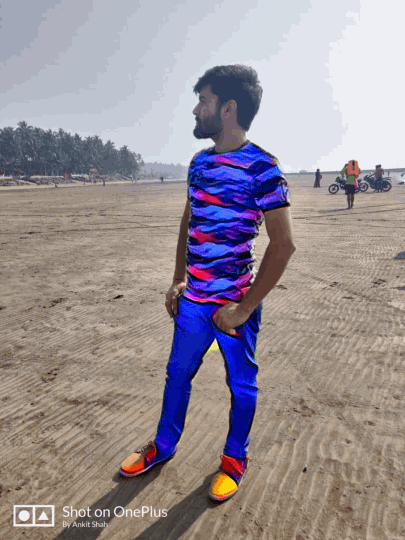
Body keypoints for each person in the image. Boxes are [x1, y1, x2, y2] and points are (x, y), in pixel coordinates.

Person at [119, 65, 296, 502]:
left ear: (228, 108)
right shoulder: (199, 164)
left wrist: (244, 308)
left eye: (203, 101)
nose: (196, 110)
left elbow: (284, 245)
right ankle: (163, 446)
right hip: (194, 301)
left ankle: (235, 460)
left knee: (242, 385)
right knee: (177, 375)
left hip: (234, 305)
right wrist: (178, 278)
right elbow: (190, 219)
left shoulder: (264, 167)